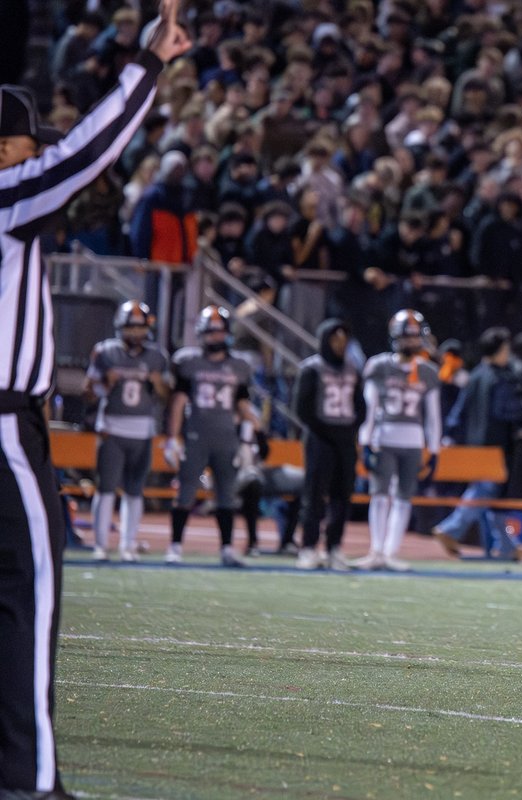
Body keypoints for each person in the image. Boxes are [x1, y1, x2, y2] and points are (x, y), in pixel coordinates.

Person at [0, 4, 189, 788]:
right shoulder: (7, 197)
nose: (29, 157)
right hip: (5, 429)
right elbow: (83, 153)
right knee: (30, 589)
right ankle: (32, 776)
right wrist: (148, 65)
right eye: (20, 145)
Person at [164, 305, 258, 567]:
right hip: (196, 434)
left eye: (219, 332)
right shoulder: (188, 361)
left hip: (226, 436)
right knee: (186, 492)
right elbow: (178, 402)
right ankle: (175, 546)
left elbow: (242, 405)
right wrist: (173, 437)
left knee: (227, 495)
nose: (214, 337)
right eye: (210, 332)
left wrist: (250, 436)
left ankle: (227, 549)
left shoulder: (239, 365)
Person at [83, 301, 169, 562]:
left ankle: (128, 544)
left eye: (140, 328)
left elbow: (166, 396)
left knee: (135, 490)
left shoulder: (156, 356)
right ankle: (100, 544)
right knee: (106, 487)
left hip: (142, 430)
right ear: (120, 327)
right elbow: (86, 392)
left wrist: (157, 384)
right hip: (112, 427)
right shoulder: (105, 352)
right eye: (131, 328)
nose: (136, 334)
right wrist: (101, 384)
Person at [356, 310, 441, 571]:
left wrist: (434, 449)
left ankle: (390, 552)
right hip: (385, 436)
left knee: (404, 497)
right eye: (407, 337)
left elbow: (433, 416)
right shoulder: (379, 365)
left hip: (413, 441)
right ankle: (376, 550)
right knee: (380, 495)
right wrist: (366, 441)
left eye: (415, 337)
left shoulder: (427, 371)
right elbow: (369, 409)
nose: (411, 342)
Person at [433, 327, 522, 561]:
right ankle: (450, 529)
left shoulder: (475, 375)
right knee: (483, 493)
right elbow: (503, 412)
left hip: (473, 445)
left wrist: (451, 436)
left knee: (493, 498)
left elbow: (459, 410)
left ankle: (507, 546)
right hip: (494, 447)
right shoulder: (499, 378)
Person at [293, 319, 365, 571]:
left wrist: (350, 430)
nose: (340, 343)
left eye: (344, 338)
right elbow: (302, 408)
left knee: (342, 497)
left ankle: (334, 547)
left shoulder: (353, 369)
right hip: (320, 438)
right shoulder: (312, 368)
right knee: (314, 495)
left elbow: (360, 406)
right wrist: (326, 431)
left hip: (345, 440)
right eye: (335, 338)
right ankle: (309, 547)